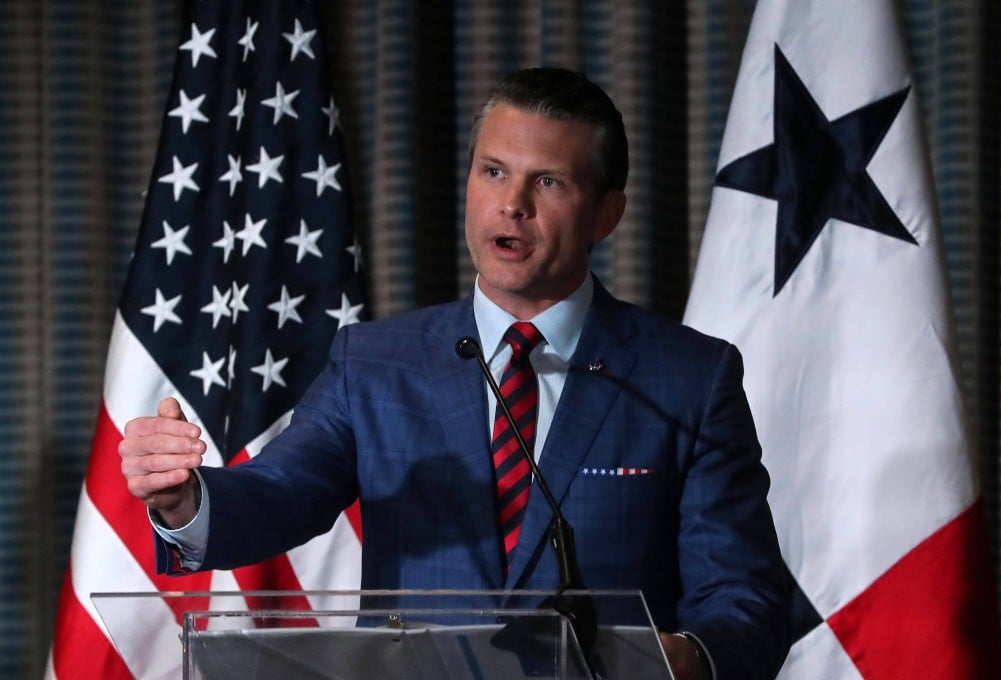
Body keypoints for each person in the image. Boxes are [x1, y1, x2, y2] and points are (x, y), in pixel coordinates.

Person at [120, 67, 791, 679]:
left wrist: (686, 660)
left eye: (548, 181)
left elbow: (747, 598)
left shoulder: (687, 378)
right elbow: (280, 492)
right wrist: (186, 502)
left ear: (606, 214)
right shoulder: (375, 364)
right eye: (493, 172)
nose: (513, 204)